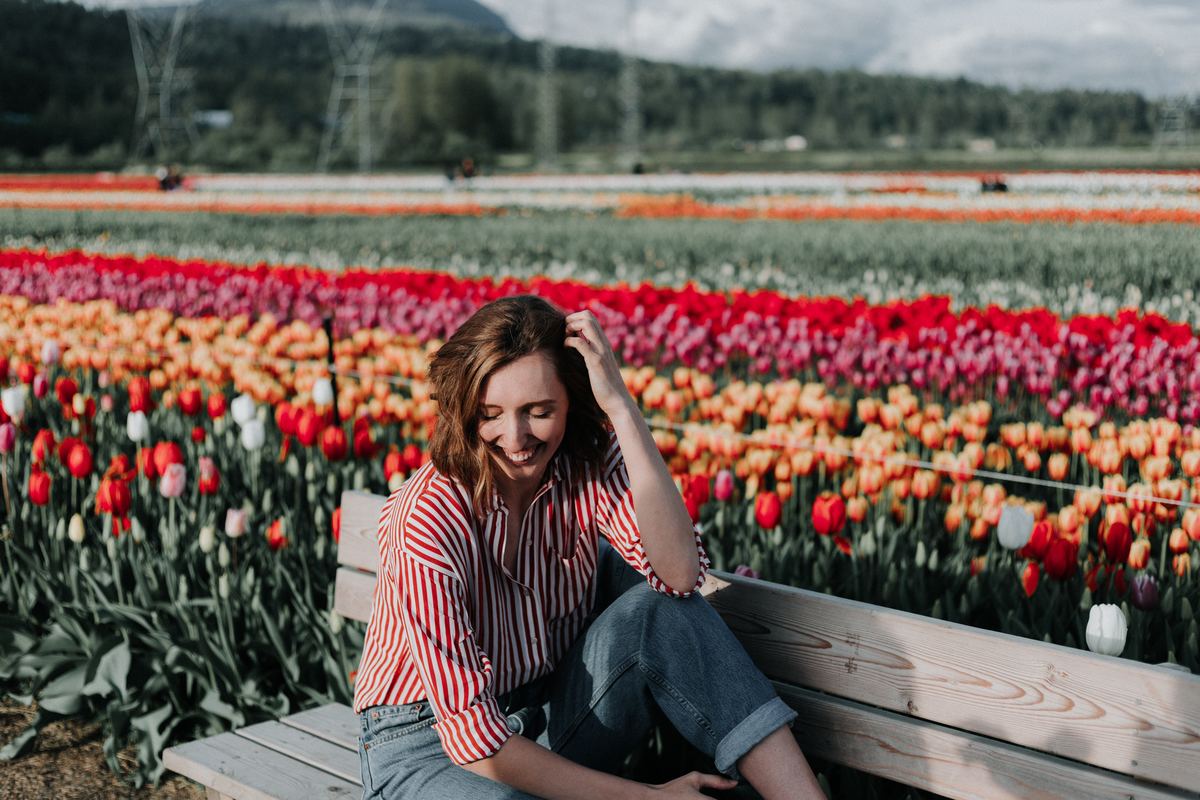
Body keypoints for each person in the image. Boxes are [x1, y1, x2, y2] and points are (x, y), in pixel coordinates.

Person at [353, 295, 825, 799]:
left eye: (539, 411)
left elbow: (680, 575)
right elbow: (477, 741)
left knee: (661, 610)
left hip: (544, 709)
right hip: (424, 741)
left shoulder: (583, 461)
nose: (515, 437)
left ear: (571, 404)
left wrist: (620, 404)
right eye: (490, 413)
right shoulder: (428, 516)